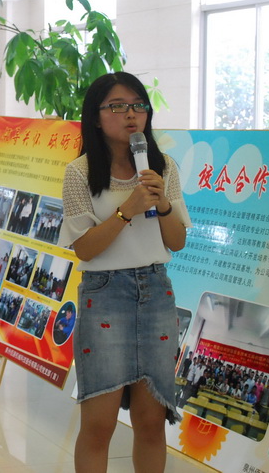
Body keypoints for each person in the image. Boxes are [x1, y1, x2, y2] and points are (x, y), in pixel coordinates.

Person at [59, 71, 190, 473]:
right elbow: (85, 248)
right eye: (117, 106)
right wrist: (126, 210)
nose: (131, 115)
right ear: (96, 117)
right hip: (105, 296)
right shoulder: (80, 173)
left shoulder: (163, 168)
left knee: (151, 422)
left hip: (156, 292)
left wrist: (162, 204)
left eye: (138, 105)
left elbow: (177, 241)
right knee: (98, 425)